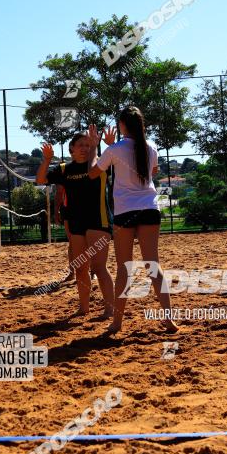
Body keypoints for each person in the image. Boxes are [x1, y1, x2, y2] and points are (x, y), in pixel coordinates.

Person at [88, 106, 178, 334]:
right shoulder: (151, 147)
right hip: (149, 208)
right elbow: (152, 172)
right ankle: (168, 320)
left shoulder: (115, 149)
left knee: (123, 269)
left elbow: (92, 173)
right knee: (154, 267)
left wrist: (95, 147)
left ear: (122, 125)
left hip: (125, 212)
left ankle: (117, 323)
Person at [36, 132, 114, 317]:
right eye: (81, 145)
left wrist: (105, 146)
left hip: (98, 220)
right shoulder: (64, 169)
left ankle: (110, 308)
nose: (85, 148)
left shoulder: (100, 164)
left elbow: (103, 164)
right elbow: (40, 180)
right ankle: (84, 308)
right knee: (80, 267)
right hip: (76, 222)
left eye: (88, 145)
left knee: (99, 267)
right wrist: (47, 159)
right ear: (71, 150)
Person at [54, 184, 75, 283]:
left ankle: (92, 272)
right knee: (72, 242)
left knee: (87, 241)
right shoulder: (63, 169)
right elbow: (59, 191)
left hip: (85, 207)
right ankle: (72, 273)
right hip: (68, 209)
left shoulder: (89, 168)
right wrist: (56, 211)